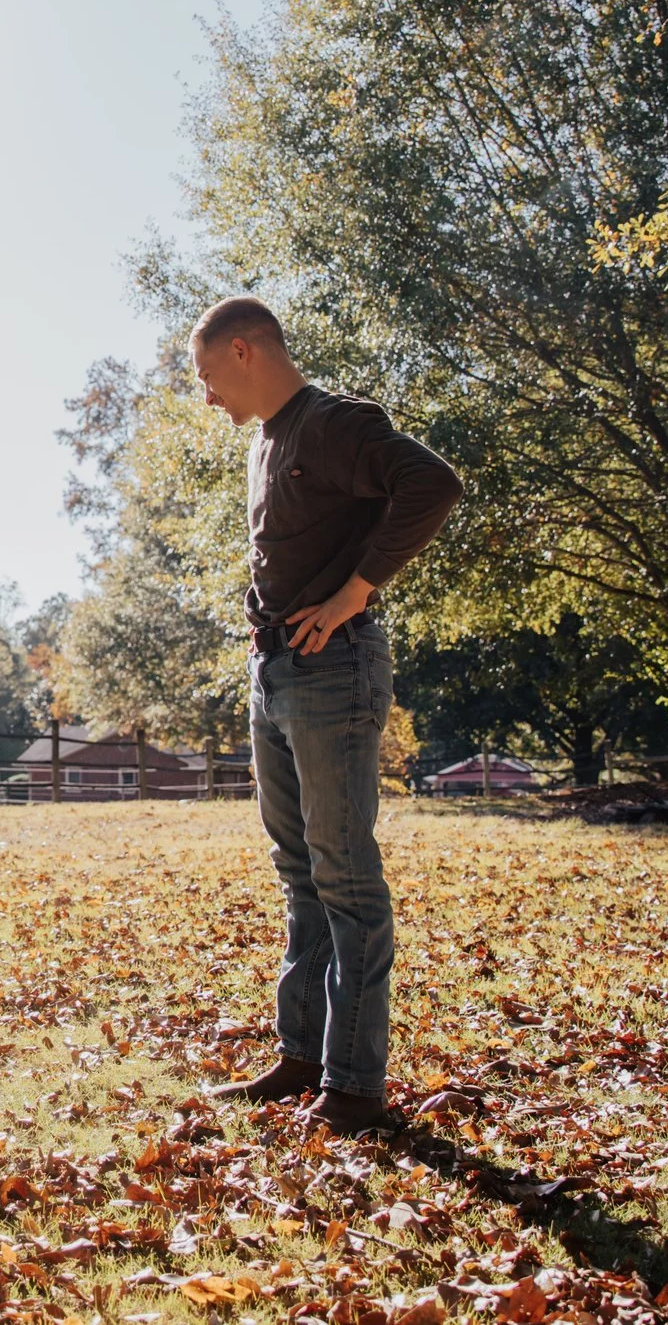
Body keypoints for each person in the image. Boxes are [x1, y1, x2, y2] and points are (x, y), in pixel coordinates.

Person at [192, 296, 462, 1135]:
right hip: (274, 672)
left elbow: (433, 484)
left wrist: (355, 592)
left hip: (334, 671)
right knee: (299, 872)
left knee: (344, 875)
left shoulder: (334, 421)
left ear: (244, 350)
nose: (207, 394)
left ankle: (353, 1086)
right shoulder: (265, 441)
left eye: (208, 375)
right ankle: (302, 1057)